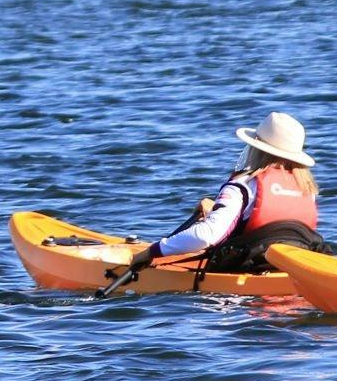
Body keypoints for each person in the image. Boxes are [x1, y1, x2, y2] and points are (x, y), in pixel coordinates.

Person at [129, 111, 325, 274]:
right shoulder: (306, 189)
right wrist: (216, 209)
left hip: (245, 281)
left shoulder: (242, 187)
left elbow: (207, 236)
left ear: (257, 149)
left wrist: (152, 252)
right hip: (294, 270)